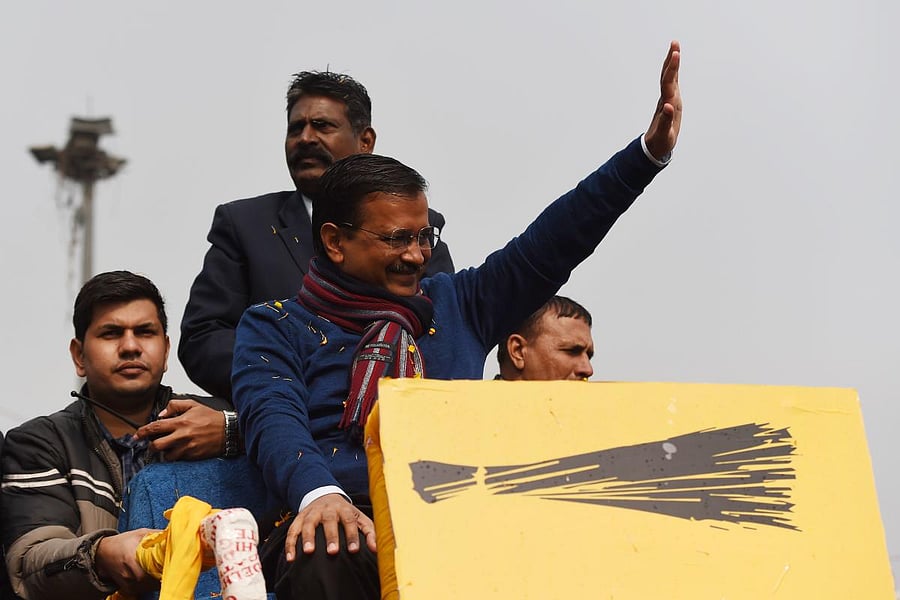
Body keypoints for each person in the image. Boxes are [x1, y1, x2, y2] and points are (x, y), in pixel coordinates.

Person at [232, 41, 682, 600]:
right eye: (397, 238)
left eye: (424, 237)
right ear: (335, 242)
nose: (418, 255)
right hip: (339, 522)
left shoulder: (459, 303)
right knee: (329, 545)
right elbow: (275, 421)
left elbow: (553, 242)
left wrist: (646, 156)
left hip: (459, 520)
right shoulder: (274, 326)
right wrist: (319, 494)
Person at [180, 71, 455, 400]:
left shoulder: (420, 237)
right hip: (277, 422)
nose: (305, 138)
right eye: (296, 128)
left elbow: (443, 339)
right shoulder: (245, 226)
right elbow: (204, 339)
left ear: (365, 141)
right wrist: (301, 383)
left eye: (323, 126)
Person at [0, 271, 236, 600]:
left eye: (145, 332)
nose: (129, 346)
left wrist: (230, 430)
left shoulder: (214, 420)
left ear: (166, 351)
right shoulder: (39, 443)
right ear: (79, 356)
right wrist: (100, 556)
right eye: (111, 333)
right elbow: (29, 564)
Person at [496, 295, 594, 381]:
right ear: (518, 351)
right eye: (572, 351)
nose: (588, 370)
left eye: (588, 356)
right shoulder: (482, 402)